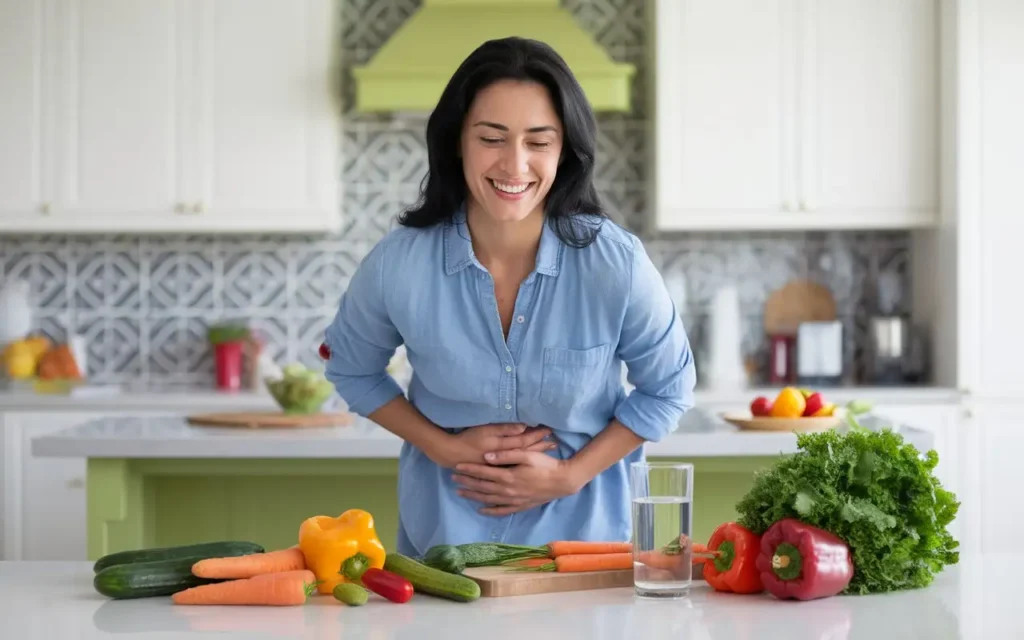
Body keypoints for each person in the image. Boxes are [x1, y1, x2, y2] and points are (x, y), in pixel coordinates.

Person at [322, 36, 696, 558]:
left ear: (564, 149)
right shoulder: (398, 264)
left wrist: (570, 475)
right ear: (458, 140)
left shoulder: (617, 263)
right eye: (492, 138)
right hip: (443, 556)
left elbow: (670, 388)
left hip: (585, 560)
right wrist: (444, 447)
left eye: (538, 141)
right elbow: (351, 369)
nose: (515, 165)